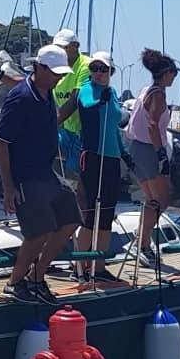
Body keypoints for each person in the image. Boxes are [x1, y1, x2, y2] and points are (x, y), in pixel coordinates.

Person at [0, 44, 80, 305]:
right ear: (38, 68)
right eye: (54, 72)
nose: (58, 78)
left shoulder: (47, 93)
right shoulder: (21, 98)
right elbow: (1, 142)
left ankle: (37, 276)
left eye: (61, 73)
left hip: (46, 172)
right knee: (38, 232)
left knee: (70, 219)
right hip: (26, 176)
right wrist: (8, 187)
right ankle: (14, 283)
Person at [67, 49, 125, 282]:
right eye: (94, 68)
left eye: (103, 69)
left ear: (111, 71)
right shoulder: (87, 89)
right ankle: (79, 267)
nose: (99, 73)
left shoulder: (113, 93)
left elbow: (114, 127)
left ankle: (99, 267)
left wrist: (125, 154)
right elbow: (88, 106)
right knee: (92, 212)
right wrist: (101, 101)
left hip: (112, 158)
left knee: (107, 213)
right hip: (93, 157)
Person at [124, 48, 179, 268]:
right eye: (174, 73)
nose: (175, 77)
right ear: (167, 73)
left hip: (137, 148)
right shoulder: (158, 94)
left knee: (152, 199)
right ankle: (141, 242)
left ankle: (142, 242)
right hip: (149, 149)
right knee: (162, 200)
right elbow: (153, 125)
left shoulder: (146, 90)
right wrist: (161, 154)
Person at [49, 28, 88, 176]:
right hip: (65, 131)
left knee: (75, 173)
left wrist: (50, 124)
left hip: (82, 132)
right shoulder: (57, 66)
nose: (60, 51)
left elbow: (75, 99)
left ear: (75, 46)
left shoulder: (85, 65)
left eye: (63, 47)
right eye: (57, 48)